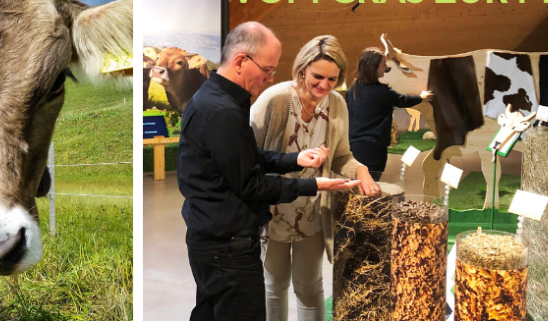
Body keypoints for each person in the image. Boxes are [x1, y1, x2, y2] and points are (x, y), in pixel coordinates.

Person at [177, 22, 361, 321]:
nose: (269, 77)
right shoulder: (224, 111)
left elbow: (244, 157)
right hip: (228, 246)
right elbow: (251, 184)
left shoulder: (217, 100)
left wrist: (294, 160)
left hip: (217, 239)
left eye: (333, 78)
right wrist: (314, 186)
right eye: (268, 69)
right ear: (240, 61)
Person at [249, 35, 378, 321]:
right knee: (274, 285)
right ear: (302, 69)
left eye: (333, 79)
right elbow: (247, 153)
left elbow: (342, 156)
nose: (324, 85)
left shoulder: (337, 105)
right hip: (273, 212)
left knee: (310, 287)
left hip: (313, 213)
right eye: (318, 76)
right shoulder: (276, 99)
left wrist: (362, 170)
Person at [345, 47, 434, 180]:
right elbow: (402, 100)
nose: (386, 68)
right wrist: (421, 97)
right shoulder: (381, 90)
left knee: (357, 186)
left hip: (353, 146)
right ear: (373, 67)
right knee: (370, 185)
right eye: (383, 65)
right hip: (373, 148)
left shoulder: (354, 86)